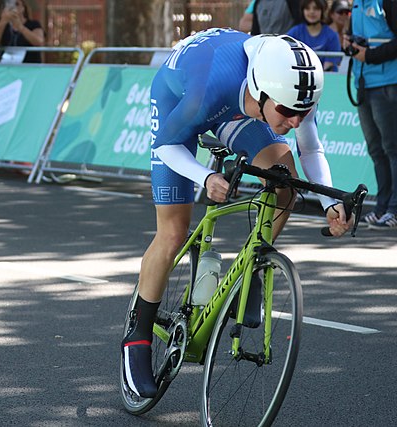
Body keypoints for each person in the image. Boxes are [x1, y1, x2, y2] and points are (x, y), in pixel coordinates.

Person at [121, 28, 352, 398]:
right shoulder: (210, 90)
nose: (295, 121)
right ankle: (137, 338)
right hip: (179, 95)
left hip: (236, 107)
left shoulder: (294, 87)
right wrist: (206, 175)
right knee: (173, 233)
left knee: (285, 184)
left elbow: (310, 149)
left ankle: (252, 270)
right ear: (261, 92)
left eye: (302, 112)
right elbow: (167, 145)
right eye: (288, 113)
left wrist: (330, 202)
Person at [346, 0, 397, 229]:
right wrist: (348, 44)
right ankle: (382, 207)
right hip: (363, 84)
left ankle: (394, 209)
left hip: (388, 83)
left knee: (392, 149)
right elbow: (353, 38)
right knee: (376, 150)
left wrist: (370, 55)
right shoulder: (356, 4)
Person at [287, 0, 341, 71]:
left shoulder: (332, 36)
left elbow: (329, 66)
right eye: (307, 8)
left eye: (316, 8)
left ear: (322, 11)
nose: (311, 12)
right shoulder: (294, 33)